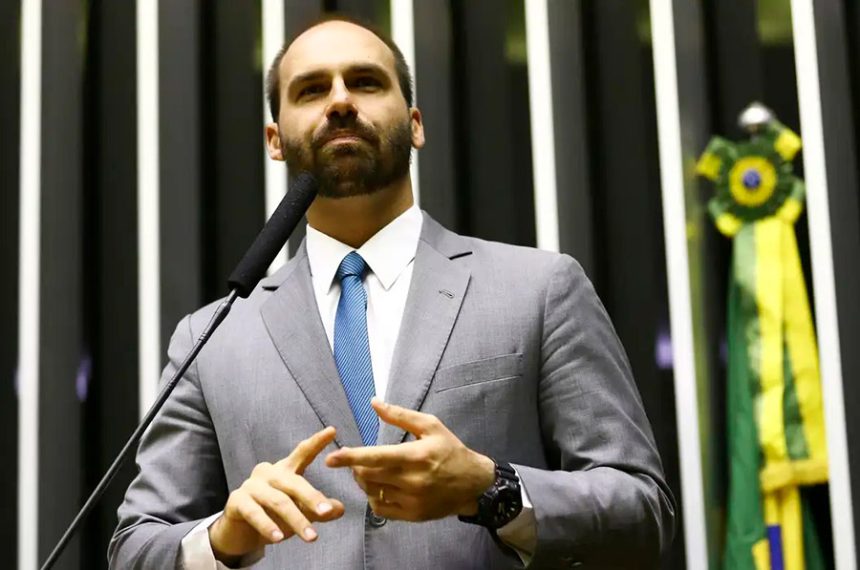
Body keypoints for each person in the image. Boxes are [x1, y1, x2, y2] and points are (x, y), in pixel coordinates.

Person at [109, 16, 675, 570]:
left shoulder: (540, 290)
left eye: (365, 82)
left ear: (416, 125)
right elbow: (135, 547)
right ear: (275, 141)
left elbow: (643, 511)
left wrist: (491, 488)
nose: (340, 101)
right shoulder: (211, 336)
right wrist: (223, 538)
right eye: (311, 90)